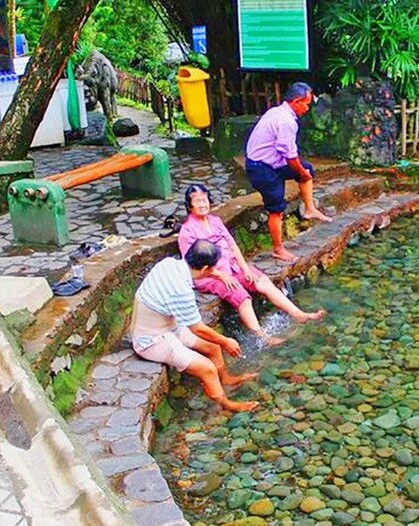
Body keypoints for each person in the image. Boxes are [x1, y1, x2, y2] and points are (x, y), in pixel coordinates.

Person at [178, 184, 326, 346]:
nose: (202, 204)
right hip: (210, 276)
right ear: (190, 205)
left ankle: (298, 314)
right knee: (242, 297)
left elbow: (233, 246)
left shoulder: (215, 221)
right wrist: (222, 276)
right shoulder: (187, 231)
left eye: (204, 200)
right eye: (197, 201)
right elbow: (193, 265)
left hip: (232, 266)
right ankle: (263, 338)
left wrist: (245, 268)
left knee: (261, 280)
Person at [130, 240, 259, 413]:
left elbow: (202, 272)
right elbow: (197, 329)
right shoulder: (181, 290)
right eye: (212, 268)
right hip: (151, 340)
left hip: (168, 327)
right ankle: (226, 405)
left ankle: (226, 379)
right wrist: (226, 341)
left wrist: (218, 275)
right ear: (205, 267)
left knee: (213, 346)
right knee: (207, 368)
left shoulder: (169, 263)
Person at [245, 82, 332, 263]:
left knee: (307, 169)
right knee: (277, 209)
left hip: (272, 162)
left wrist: (303, 172)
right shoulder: (286, 121)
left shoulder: (277, 111)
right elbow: (290, 156)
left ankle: (309, 209)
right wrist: (301, 172)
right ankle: (278, 249)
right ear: (297, 101)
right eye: (306, 104)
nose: (307, 109)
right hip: (261, 168)